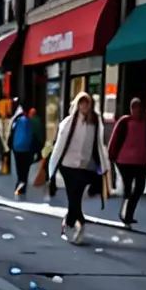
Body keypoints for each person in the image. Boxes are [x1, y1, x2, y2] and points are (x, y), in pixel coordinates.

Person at [48, 92, 111, 244]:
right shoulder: (69, 122)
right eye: (82, 103)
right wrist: (52, 169)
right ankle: (80, 225)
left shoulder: (95, 122)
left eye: (87, 103)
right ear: (77, 104)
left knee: (75, 198)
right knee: (73, 197)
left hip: (84, 166)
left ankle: (71, 220)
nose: (84, 106)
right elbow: (59, 145)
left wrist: (104, 166)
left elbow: (98, 145)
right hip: (68, 166)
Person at [108, 98, 146, 225]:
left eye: (140, 107)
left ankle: (128, 213)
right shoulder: (124, 121)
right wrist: (111, 155)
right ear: (131, 109)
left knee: (139, 188)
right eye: (135, 107)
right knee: (128, 187)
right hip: (124, 161)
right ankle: (126, 214)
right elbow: (115, 138)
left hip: (142, 161)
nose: (138, 110)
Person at [8, 103, 41, 196]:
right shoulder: (31, 122)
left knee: (19, 169)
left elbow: (11, 134)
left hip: (17, 149)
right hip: (28, 149)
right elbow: (36, 136)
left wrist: (10, 146)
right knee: (25, 170)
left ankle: (19, 185)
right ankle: (23, 187)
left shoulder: (16, 121)